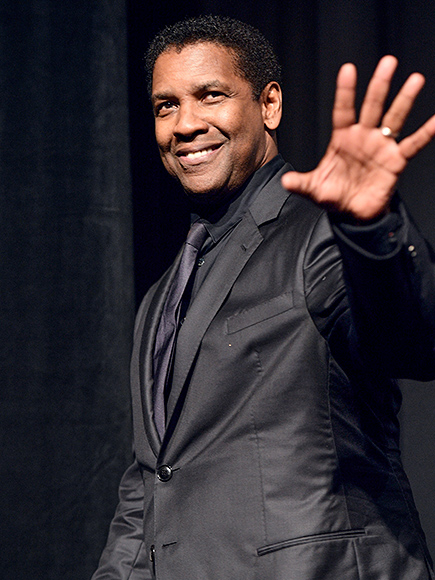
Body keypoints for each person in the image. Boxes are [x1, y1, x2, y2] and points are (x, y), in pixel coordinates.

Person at [92, 15, 435, 580]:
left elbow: (410, 340)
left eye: (211, 96)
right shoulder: (159, 298)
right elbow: (150, 484)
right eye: (165, 106)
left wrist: (371, 229)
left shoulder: (322, 233)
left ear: (269, 104)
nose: (185, 124)